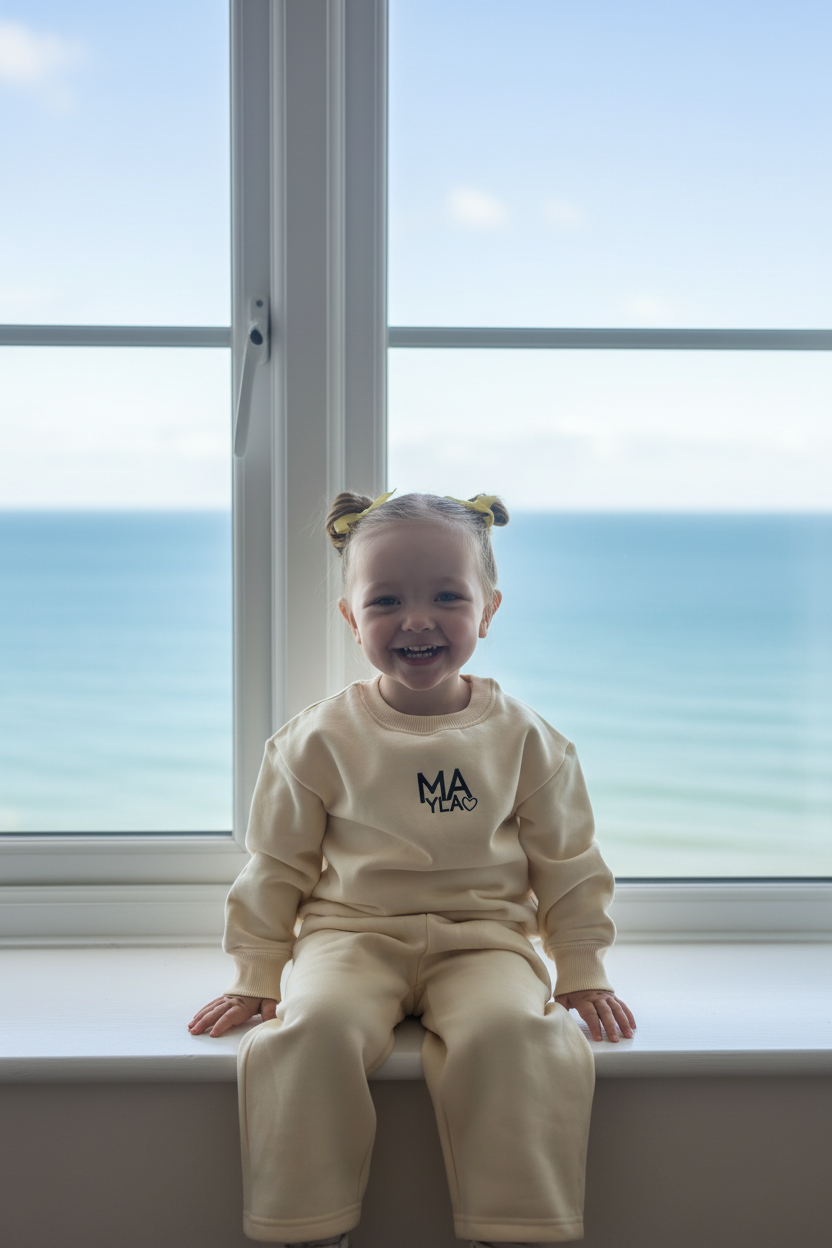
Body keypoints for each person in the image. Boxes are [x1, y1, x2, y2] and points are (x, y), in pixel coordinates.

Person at [189, 490, 636, 1248]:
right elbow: (275, 866)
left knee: (517, 1036)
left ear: (488, 609)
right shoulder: (317, 740)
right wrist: (256, 971)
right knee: (313, 1031)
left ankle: (516, 1228)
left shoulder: (527, 739)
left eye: (446, 596)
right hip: (350, 936)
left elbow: (569, 862)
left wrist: (582, 965)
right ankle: (305, 1226)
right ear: (351, 617)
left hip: (485, 940)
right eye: (387, 599)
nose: (418, 618)